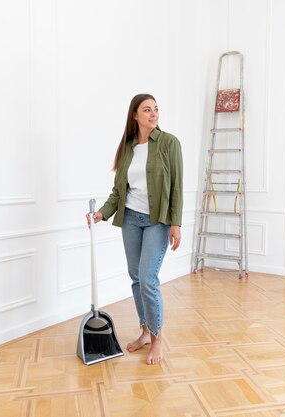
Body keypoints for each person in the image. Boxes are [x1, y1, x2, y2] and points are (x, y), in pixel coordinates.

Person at [86, 93, 183, 365]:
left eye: (156, 109)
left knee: (148, 279)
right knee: (136, 278)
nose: (153, 114)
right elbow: (118, 191)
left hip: (157, 220)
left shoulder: (169, 143)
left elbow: (177, 185)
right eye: (147, 110)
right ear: (135, 116)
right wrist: (101, 214)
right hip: (130, 219)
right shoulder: (128, 148)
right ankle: (144, 331)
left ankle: (157, 338)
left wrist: (175, 223)